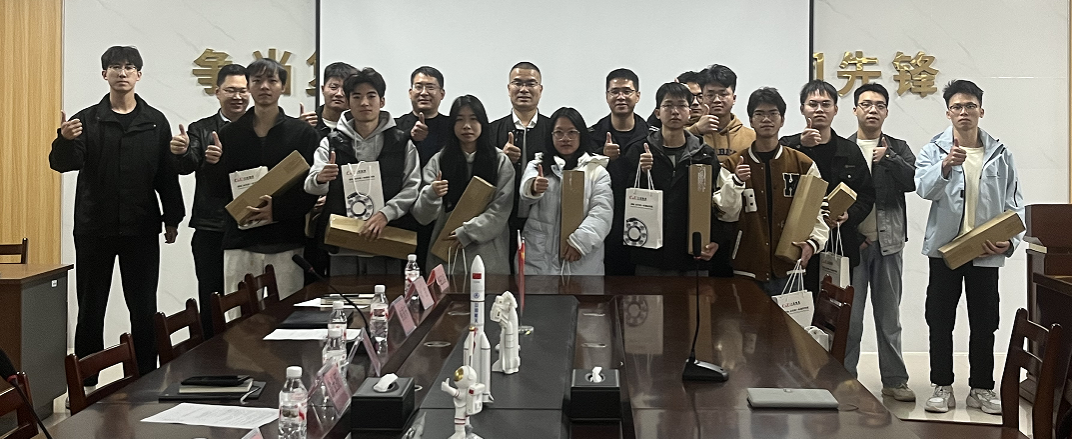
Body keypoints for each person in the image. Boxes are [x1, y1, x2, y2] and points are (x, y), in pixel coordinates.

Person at [50, 45, 184, 379]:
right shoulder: (86, 120)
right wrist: (64, 140)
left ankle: (147, 375)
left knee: (143, 306)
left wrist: (172, 217)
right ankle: (87, 381)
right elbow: (63, 164)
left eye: (128, 67)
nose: (122, 73)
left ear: (139, 75)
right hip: (95, 227)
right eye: (115, 67)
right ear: (104, 74)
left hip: (141, 227)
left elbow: (165, 174)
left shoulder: (155, 121)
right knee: (91, 307)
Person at [916, 80, 1023, 415]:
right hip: (945, 252)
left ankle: (981, 388)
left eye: (970, 106)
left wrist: (1010, 242)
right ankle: (942, 385)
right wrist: (945, 165)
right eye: (957, 107)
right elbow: (923, 189)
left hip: (985, 252)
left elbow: (1015, 204)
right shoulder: (933, 150)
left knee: (985, 322)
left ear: (981, 111)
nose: (964, 112)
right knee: (939, 320)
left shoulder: (1001, 154)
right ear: (948, 113)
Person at [206, 58, 319, 298]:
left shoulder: (303, 134)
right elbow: (218, 191)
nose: (264, 86)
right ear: (249, 86)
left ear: (283, 87)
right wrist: (212, 165)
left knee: (285, 315)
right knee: (239, 316)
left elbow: (310, 189)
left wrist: (276, 211)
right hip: (240, 241)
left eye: (272, 81)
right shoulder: (229, 134)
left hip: (286, 242)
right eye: (257, 81)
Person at [305, 67, 421, 275]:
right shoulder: (331, 142)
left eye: (371, 96)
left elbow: (412, 187)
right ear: (349, 102)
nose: (364, 103)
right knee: (342, 294)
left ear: (382, 101)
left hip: (386, 239)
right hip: (342, 242)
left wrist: (385, 214)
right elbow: (311, 186)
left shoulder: (402, 142)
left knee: (386, 295)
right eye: (357, 97)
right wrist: (321, 179)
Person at [842, 83, 916, 401]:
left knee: (889, 319)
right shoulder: (843, 148)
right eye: (866, 104)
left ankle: (895, 381)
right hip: (853, 248)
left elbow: (914, 181)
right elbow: (833, 198)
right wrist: (851, 236)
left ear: (886, 112)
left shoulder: (898, 147)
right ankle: (845, 378)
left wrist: (890, 159)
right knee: (850, 319)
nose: (873, 110)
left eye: (880, 105)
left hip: (889, 245)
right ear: (855, 110)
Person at [717, 87, 828, 295]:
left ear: (782, 120)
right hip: (747, 266)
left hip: (789, 266)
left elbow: (820, 209)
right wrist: (737, 181)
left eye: (773, 113)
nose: (766, 119)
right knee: (747, 318)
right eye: (760, 114)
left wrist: (814, 243)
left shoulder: (802, 164)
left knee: (788, 319)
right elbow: (725, 213)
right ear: (751, 120)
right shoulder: (733, 164)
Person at [169, 63, 248, 338]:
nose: (237, 96)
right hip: (211, 227)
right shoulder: (200, 129)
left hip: (251, 228)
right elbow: (187, 165)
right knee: (211, 296)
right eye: (231, 90)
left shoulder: (260, 130)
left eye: (243, 90)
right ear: (217, 92)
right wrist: (180, 152)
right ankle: (212, 353)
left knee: (248, 296)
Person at [780, 80, 875, 294]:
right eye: (813, 104)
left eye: (826, 104)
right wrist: (800, 145)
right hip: (798, 241)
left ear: (835, 110)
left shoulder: (850, 150)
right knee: (796, 305)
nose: (819, 110)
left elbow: (867, 194)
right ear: (802, 108)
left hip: (839, 241)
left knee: (835, 307)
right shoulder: (788, 147)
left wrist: (849, 215)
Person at [623, 82, 727, 276]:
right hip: (649, 254)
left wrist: (716, 240)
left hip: (693, 254)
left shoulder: (704, 154)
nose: (675, 111)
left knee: (693, 297)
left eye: (681, 105)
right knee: (647, 296)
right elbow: (623, 198)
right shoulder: (639, 150)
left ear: (690, 112)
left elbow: (717, 202)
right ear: (657, 113)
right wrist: (642, 171)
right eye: (668, 105)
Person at [413, 95, 515, 274]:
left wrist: (468, 232)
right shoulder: (439, 160)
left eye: (473, 119)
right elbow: (422, 216)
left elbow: (500, 210)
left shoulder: (499, 161)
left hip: (489, 257)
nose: (466, 126)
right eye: (459, 120)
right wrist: (432, 194)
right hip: (446, 256)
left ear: (483, 123)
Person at [520, 107, 612, 275]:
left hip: (581, 258)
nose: (565, 138)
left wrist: (580, 243)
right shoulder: (538, 165)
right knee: (537, 292)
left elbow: (602, 213)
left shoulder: (596, 171)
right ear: (551, 136)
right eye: (559, 133)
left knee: (579, 292)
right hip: (540, 257)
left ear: (581, 134)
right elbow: (525, 195)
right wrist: (533, 187)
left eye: (572, 132)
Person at [488, 62, 552, 272]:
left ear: (540, 89)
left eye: (531, 84)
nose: (524, 89)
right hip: (501, 220)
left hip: (543, 221)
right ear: (509, 89)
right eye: (518, 83)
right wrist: (500, 158)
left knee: (538, 282)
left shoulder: (554, 130)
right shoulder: (491, 131)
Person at [588, 68, 648, 276]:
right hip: (603, 224)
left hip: (643, 223)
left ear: (637, 96)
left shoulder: (653, 137)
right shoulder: (591, 136)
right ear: (607, 96)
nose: (621, 96)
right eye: (614, 91)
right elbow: (580, 177)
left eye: (627, 91)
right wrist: (601, 156)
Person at [396, 66, 451, 273]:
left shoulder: (453, 127)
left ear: (442, 93)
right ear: (410, 92)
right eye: (418, 87)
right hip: (403, 214)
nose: (424, 92)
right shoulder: (395, 127)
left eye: (431, 87)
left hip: (442, 214)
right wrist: (409, 138)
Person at [690, 64, 755, 163]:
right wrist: (696, 130)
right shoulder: (689, 133)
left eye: (723, 94)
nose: (717, 100)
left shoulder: (752, 137)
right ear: (702, 98)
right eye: (710, 95)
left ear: (734, 98)